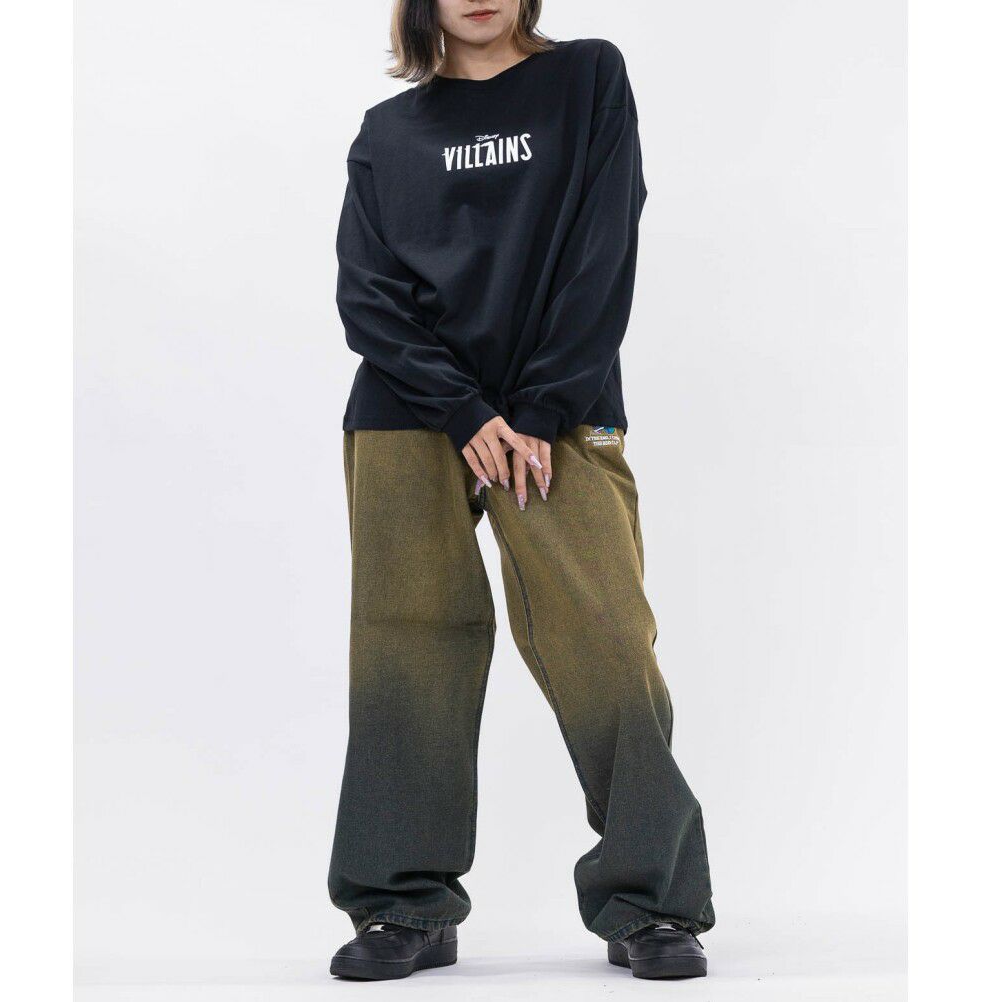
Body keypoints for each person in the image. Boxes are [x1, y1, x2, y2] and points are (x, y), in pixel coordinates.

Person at [327, 0, 714, 981]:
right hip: (412, 409)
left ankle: (651, 902)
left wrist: (538, 407)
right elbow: (366, 291)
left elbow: (602, 244)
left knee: (605, 633)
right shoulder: (388, 133)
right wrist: (462, 411)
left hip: (557, 409)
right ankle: (402, 905)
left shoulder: (587, 78)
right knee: (407, 640)